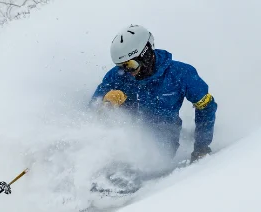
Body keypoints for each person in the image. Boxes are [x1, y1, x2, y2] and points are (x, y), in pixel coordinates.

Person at [91, 24, 217, 164]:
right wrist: (105, 103)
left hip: (162, 142)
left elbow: (206, 107)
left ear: (146, 54)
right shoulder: (117, 76)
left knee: (133, 162)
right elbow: (92, 109)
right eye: (121, 66)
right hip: (122, 135)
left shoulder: (180, 74)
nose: (127, 72)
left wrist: (201, 147)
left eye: (131, 65)